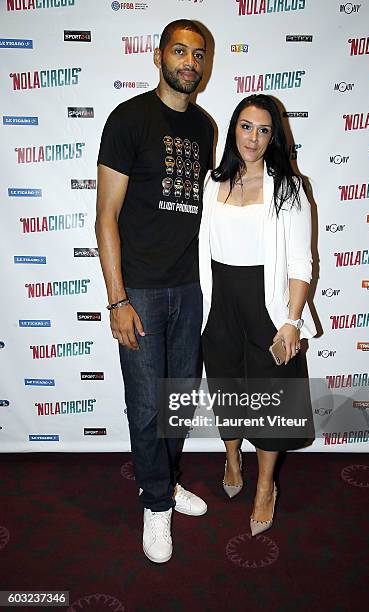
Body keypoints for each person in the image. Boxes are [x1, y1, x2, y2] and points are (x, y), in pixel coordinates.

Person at [96, 19, 214, 563]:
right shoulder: (129, 119)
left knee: (176, 402)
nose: (190, 61)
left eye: (199, 53)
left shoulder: (206, 128)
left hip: (188, 290)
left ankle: (166, 483)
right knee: (146, 407)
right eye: (180, 51)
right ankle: (155, 504)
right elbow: (106, 217)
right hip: (139, 292)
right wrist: (117, 300)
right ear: (158, 56)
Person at [199, 94, 316, 536]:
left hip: (266, 306)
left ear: (274, 137)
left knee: (270, 400)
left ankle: (266, 486)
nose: (253, 137)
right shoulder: (213, 183)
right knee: (227, 388)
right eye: (246, 126)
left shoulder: (288, 188)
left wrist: (292, 320)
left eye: (263, 130)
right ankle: (232, 458)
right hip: (219, 303)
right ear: (234, 129)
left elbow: (301, 264)